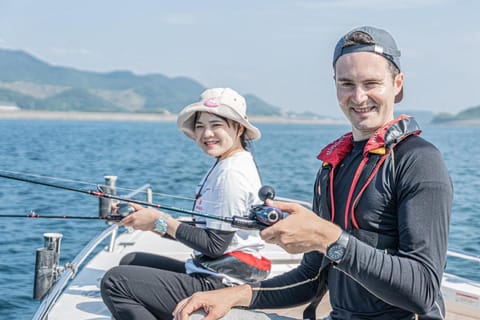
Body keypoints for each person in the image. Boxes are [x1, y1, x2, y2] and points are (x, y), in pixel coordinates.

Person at [173, 26, 453, 320]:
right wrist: (235, 295)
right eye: (346, 84)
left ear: (397, 84)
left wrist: (328, 238)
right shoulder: (333, 166)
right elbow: (310, 278)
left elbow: (422, 291)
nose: (358, 97)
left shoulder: (419, 161)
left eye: (371, 83)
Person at [101, 87, 272, 320]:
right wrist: (151, 223)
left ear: (239, 128)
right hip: (217, 271)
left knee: (115, 282)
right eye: (200, 126)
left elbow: (214, 246)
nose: (207, 134)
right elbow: (205, 232)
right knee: (131, 261)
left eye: (216, 125)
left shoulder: (232, 173)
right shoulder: (227, 163)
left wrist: (159, 220)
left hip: (222, 284)